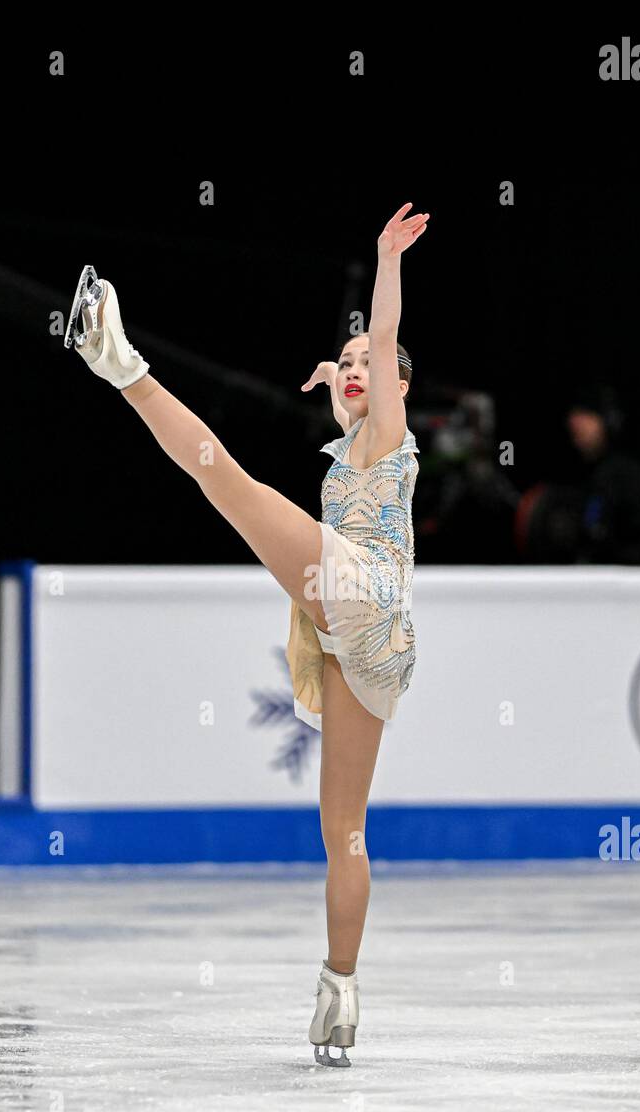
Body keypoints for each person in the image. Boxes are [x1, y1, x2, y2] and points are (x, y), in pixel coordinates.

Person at [65, 202, 429, 1068]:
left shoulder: (389, 429)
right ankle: (340, 990)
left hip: (364, 594)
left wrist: (384, 260)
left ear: (399, 386)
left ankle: (121, 364)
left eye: (368, 367)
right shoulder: (354, 443)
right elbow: (360, 370)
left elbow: (383, 339)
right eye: (342, 364)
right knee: (343, 830)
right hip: (372, 644)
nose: (355, 369)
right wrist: (337, 378)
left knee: (222, 480)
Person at [565, 383, 640, 563]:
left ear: (607, 420)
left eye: (587, 413)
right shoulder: (576, 475)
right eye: (575, 414)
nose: (576, 422)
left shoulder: (627, 475)